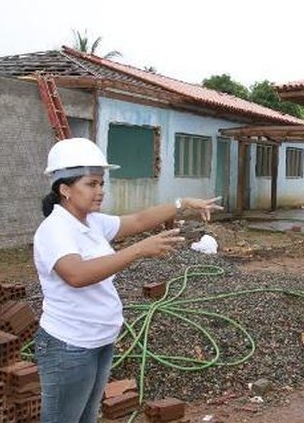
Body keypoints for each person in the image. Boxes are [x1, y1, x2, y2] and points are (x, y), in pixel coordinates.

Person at [32, 137, 223, 423]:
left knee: (86, 418)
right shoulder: (55, 230)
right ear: (65, 189)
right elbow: (76, 274)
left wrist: (181, 204)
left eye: (102, 183)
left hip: (99, 339)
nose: (100, 191)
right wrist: (137, 251)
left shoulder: (91, 221)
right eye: (91, 184)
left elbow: (138, 221)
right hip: (69, 346)